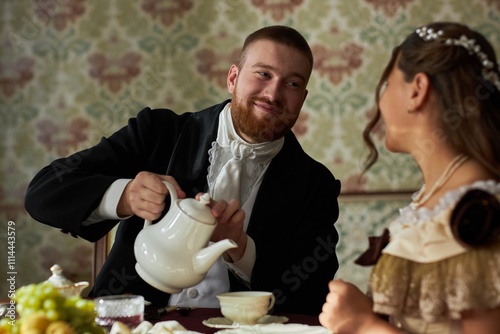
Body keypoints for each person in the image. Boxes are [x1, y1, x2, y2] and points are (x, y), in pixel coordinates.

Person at [25, 25, 341, 316]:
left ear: (303, 98)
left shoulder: (316, 186)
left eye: (292, 83)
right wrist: (126, 196)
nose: (273, 94)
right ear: (233, 78)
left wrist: (242, 249)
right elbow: (43, 193)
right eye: (263, 74)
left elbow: (312, 295)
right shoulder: (158, 133)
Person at [319, 21, 500, 333]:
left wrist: (364, 326)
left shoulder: (480, 213)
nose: (381, 99)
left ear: (417, 90)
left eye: (387, 84)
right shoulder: (431, 201)